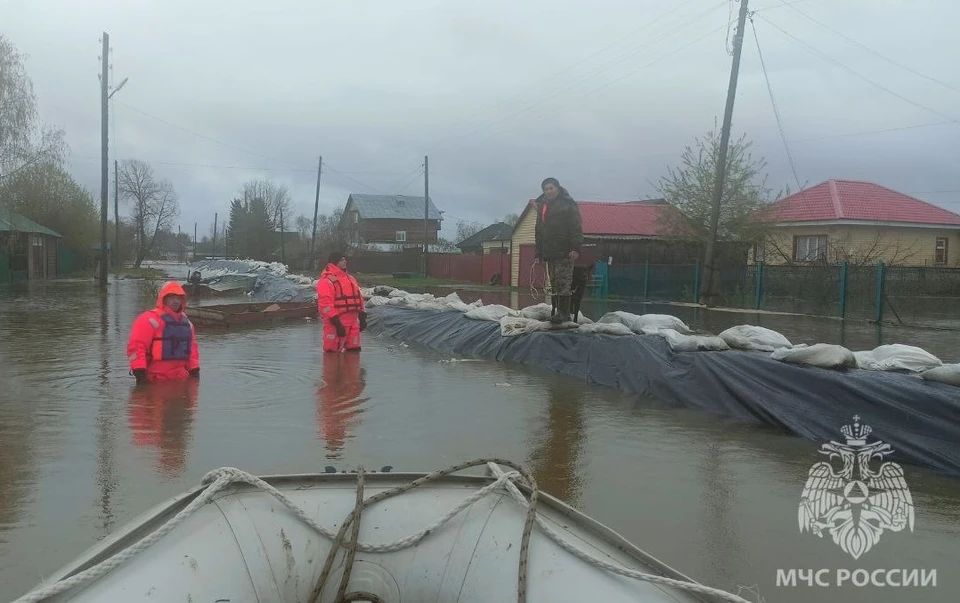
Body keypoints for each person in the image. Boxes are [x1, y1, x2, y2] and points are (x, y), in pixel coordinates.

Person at [127, 281, 200, 385]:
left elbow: (192, 349)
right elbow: (136, 346)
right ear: (164, 299)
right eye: (172, 297)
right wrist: (139, 372)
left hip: (181, 379)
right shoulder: (148, 319)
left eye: (179, 298)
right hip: (154, 379)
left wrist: (195, 370)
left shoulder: (187, 323)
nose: (176, 301)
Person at [534, 177, 583, 324]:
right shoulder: (542, 206)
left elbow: (576, 227)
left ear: (557, 188)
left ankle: (565, 314)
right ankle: (557, 312)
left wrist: (575, 247)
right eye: (546, 189)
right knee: (554, 283)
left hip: (564, 251)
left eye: (551, 188)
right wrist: (539, 252)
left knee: (564, 283)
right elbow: (539, 231)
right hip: (550, 252)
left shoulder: (568, 204)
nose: (548, 191)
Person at [316, 251, 366, 352]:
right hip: (336, 323)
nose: (345, 261)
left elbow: (359, 298)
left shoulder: (351, 279)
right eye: (342, 260)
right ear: (334, 262)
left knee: (354, 352)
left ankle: (351, 368)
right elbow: (325, 305)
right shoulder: (326, 281)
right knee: (332, 354)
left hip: (353, 323)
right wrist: (337, 323)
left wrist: (362, 315)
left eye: (345, 259)